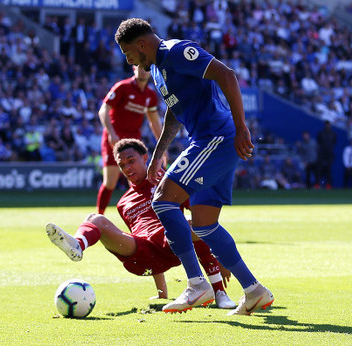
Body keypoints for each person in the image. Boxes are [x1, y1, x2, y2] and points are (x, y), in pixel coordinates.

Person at [114, 18, 274, 315]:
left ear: (141, 44)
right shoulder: (161, 70)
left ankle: (196, 284)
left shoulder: (176, 51)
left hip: (216, 138)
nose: (129, 60)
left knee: (162, 200)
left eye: (128, 53)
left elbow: (226, 75)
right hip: (210, 140)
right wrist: (159, 152)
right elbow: (176, 113)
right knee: (205, 225)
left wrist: (241, 127)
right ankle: (254, 291)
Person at [47, 138, 236, 309]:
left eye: (131, 161)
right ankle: (77, 245)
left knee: (190, 223)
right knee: (95, 219)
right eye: (122, 165)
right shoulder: (123, 203)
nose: (127, 168)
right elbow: (142, 235)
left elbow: (202, 218)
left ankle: (219, 292)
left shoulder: (168, 181)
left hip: (172, 243)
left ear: (145, 157)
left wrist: (221, 255)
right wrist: (162, 293)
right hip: (142, 255)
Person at [96, 65, 163, 214]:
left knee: (138, 182)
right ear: (134, 69)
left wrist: (162, 145)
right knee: (110, 182)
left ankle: (142, 218)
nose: (143, 71)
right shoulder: (123, 87)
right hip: (114, 139)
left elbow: (154, 122)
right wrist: (112, 133)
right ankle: (98, 216)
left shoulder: (150, 95)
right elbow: (103, 110)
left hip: (134, 142)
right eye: (140, 68)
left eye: (146, 69)